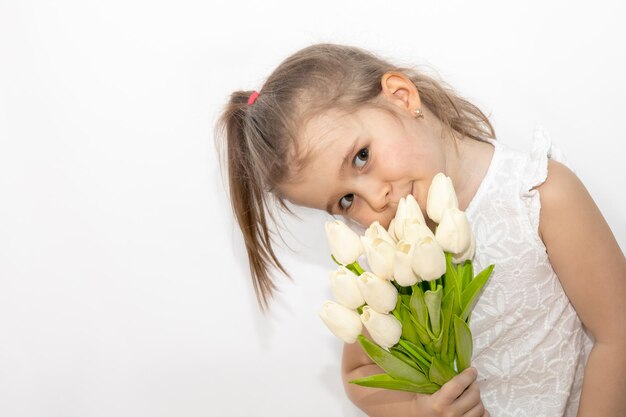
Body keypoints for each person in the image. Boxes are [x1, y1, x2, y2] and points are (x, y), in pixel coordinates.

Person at [215, 43, 626, 417]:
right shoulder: (387, 258)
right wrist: (418, 409)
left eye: (361, 158)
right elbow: (359, 373)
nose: (375, 199)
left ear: (401, 96)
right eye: (345, 202)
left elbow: (617, 335)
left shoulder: (538, 196)